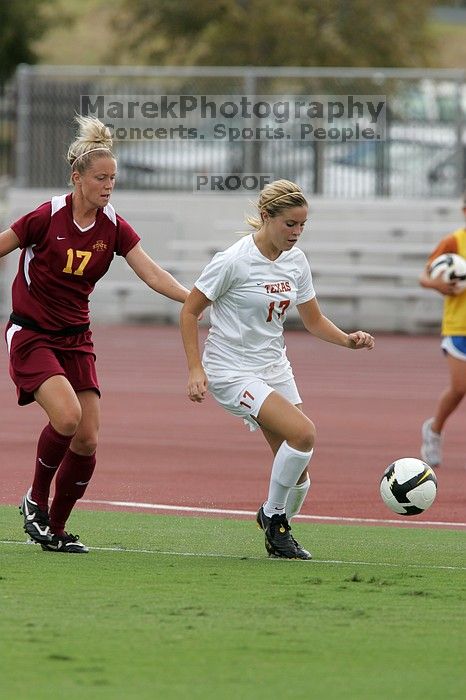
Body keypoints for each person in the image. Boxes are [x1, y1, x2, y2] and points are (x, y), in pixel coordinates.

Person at [1, 115, 190, 553]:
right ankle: (35, 499)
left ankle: (56, 529)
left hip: (76, 338)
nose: (108, 186)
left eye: (113, 179)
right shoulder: (46, 216)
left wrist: (193, 300)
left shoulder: (114, 227)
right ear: (77, 178)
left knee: (87, 438)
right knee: (66, 418)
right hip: (32, 334)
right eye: (100, 178)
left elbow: (152, 273)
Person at [179, 179, 375, 560]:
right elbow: (189, 311)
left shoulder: (296, 262)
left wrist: (348, 340)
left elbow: (314, 321)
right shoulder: (233, 261)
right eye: (290, 224)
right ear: (266, 217)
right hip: (232, 370)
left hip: (274, 366)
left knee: (299, 474)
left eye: (302, 225)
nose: (297, 233)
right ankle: (275, 520)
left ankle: (275, 521)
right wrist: (194, 369)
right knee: (304, 433)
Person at [419, 197, 466, 468]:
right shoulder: (453, 242)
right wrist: (438, 285)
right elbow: (424, 276)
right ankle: (434, 430)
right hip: (458, 326)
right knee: (460, 388)